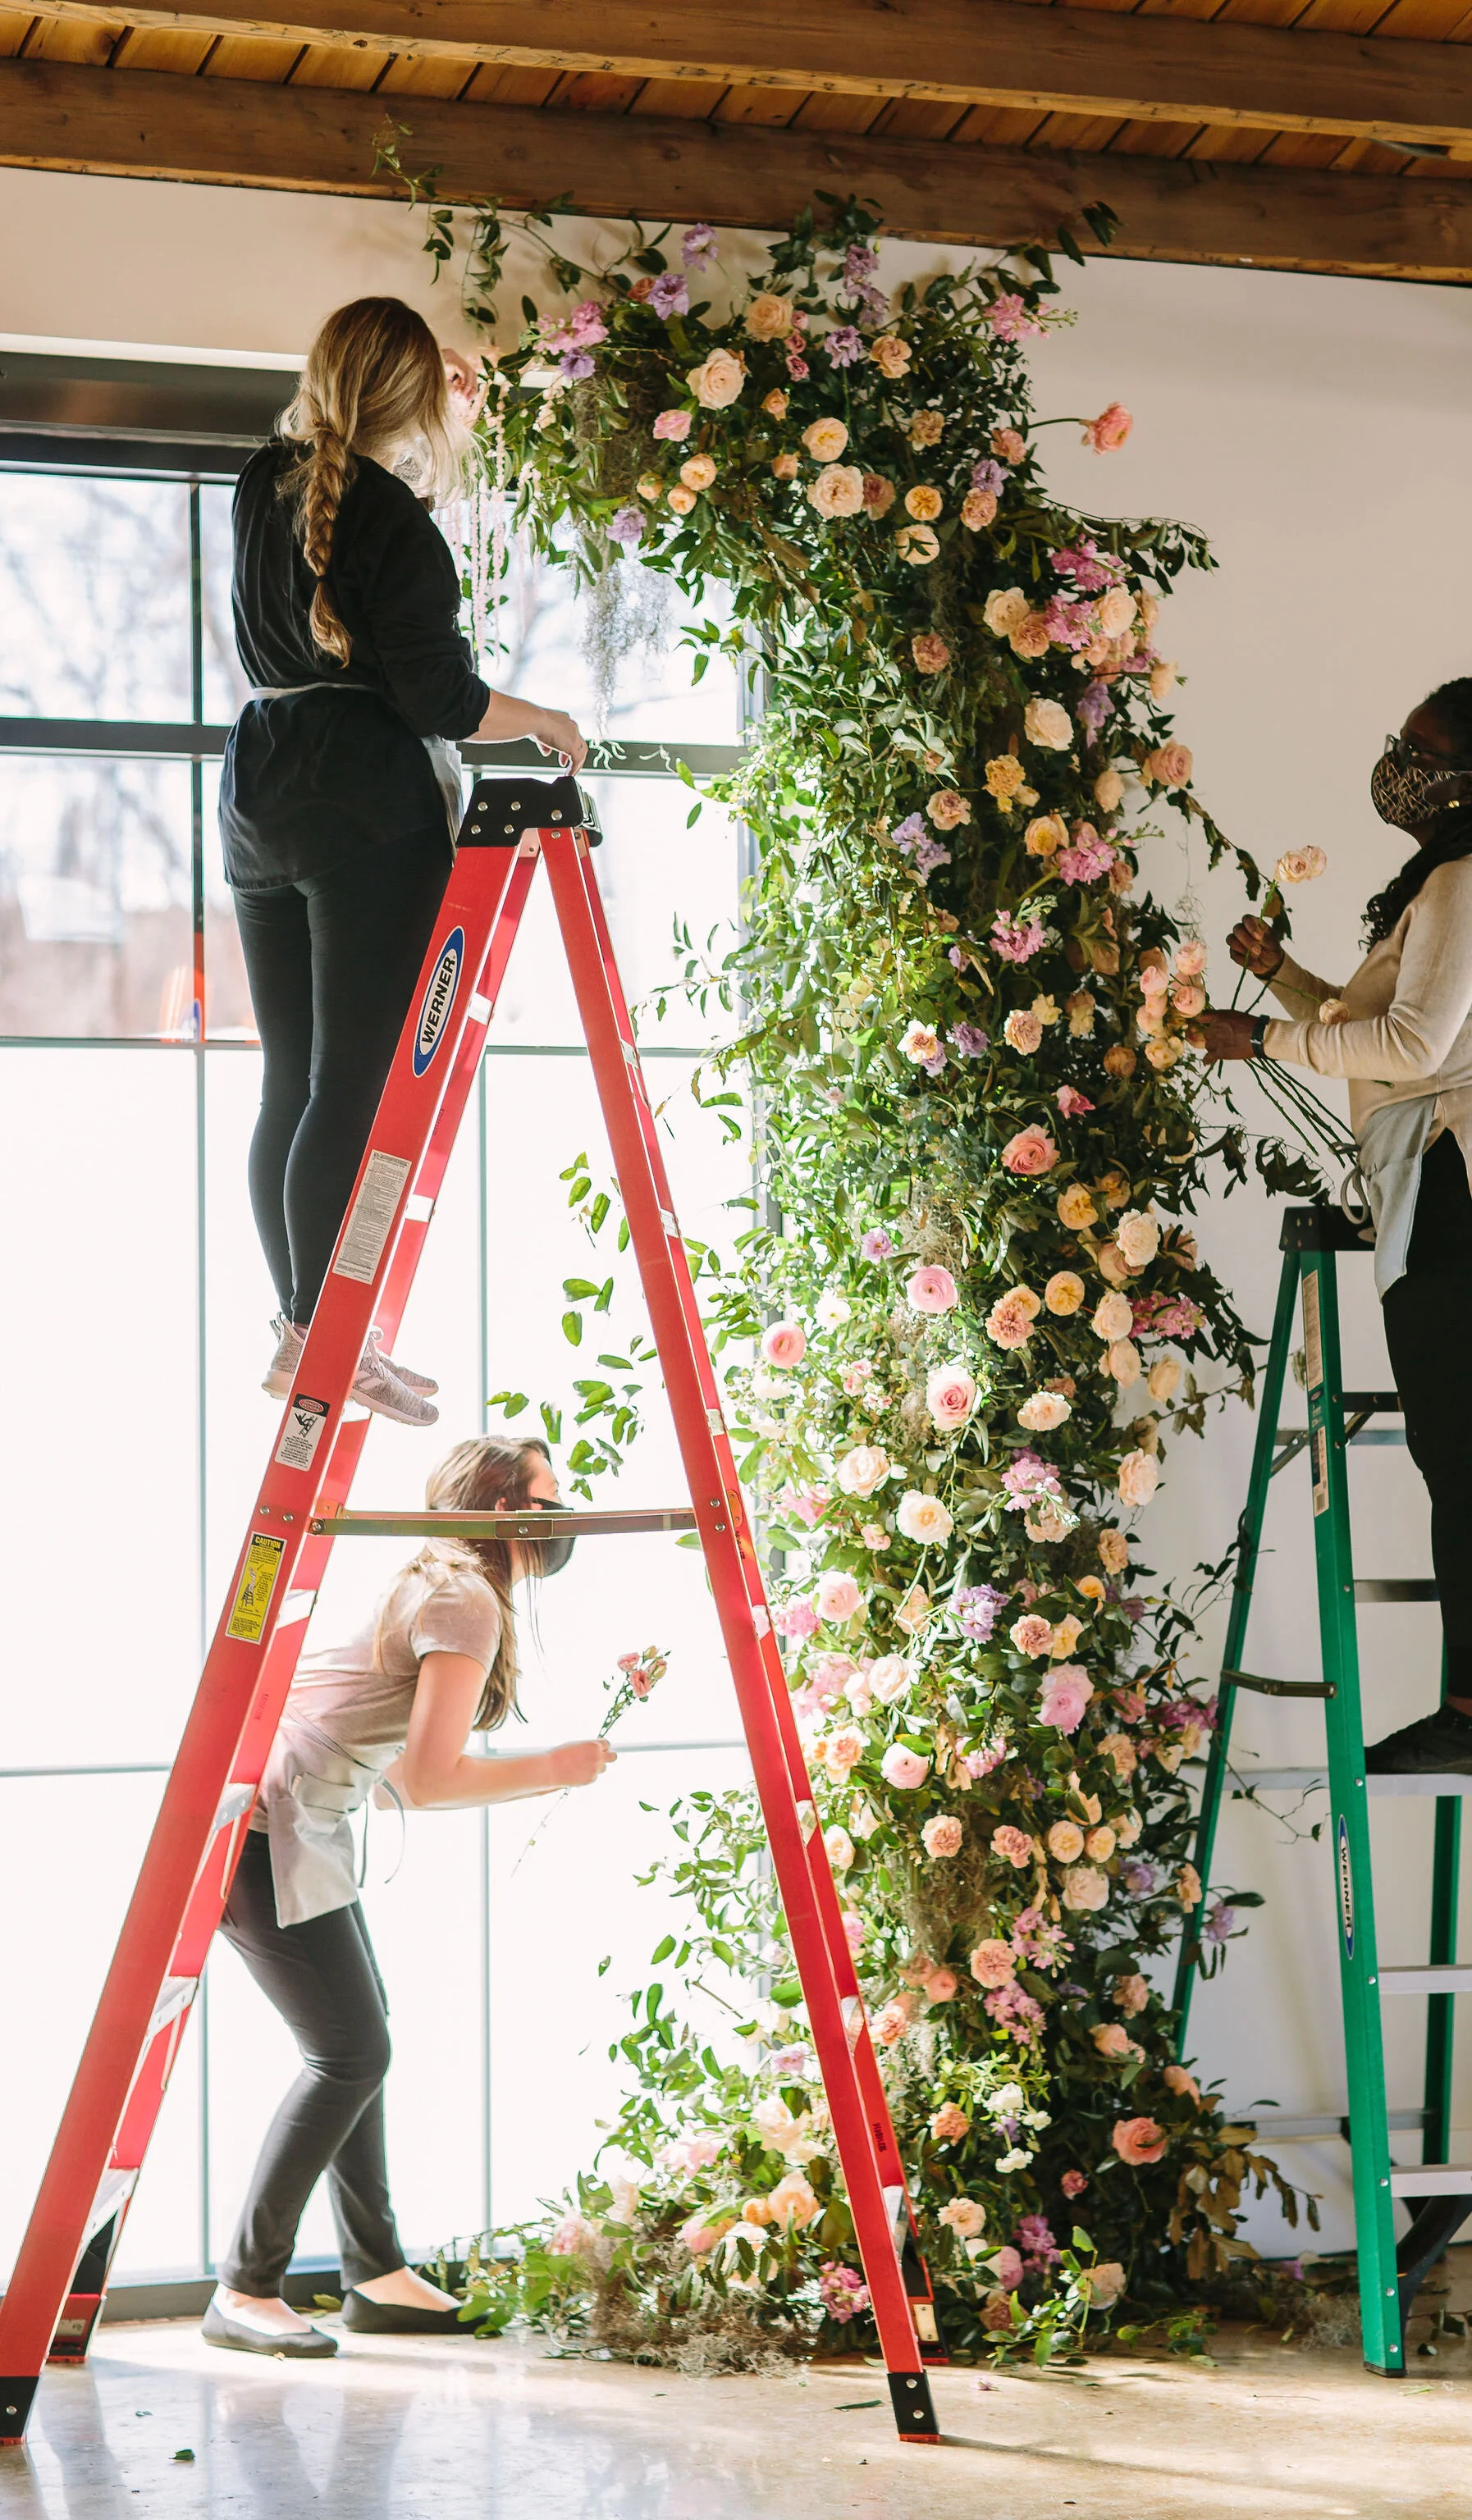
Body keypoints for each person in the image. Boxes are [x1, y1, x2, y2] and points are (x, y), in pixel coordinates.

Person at [1198, 678, 1472, 1778]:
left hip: (1464, 1184)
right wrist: (1285, 982)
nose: (1397, 764)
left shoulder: (1466, 880)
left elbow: (1409, 1056)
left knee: (1462, 1465)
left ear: (1469, 784)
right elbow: (1390, 1031)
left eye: (1418, 752)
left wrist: (1263, 1040)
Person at [222, 297, 586, 1426]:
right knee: (360, 1085)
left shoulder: (257, 482)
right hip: (362, 803)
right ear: (419, 400)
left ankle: (305, 1327)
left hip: (259, 785)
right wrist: (548, 722)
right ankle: (330, 1335)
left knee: (292, 1078)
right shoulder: (392, 520)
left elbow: (349, 563)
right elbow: (439, 698)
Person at [203, 1435, 610, 2358]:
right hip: (269, 1831)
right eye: (550, 1498)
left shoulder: (447, 1580)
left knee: (360, 2045)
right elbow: (430, 1779)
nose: (563, 1515)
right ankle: (244, 2288)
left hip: (298, 1825)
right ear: (506, 1511)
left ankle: (375, 2272)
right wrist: (560, 1768)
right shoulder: (465, 1599)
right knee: (350, 2054)